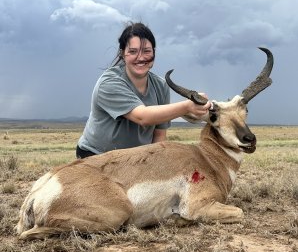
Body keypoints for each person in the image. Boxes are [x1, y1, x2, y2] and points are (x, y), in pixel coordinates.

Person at [76, 22, 211, 158]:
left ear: (154, 53)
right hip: (96, 156)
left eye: (146, 51)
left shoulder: (161, 85)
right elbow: (142, 117)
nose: (140, 58)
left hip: (135, 160)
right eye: (133, 51)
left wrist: (153, 164)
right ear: (123, 54)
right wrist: (187, 106)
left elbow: (159, 135)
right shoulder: (109, 83)